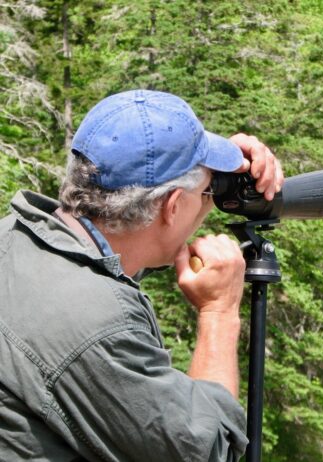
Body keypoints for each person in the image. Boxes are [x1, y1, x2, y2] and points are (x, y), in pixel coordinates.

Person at [0, 89, 284, 461]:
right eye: (204, 193)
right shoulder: (100, 328)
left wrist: (210, 175)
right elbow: (206, 451)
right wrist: (219, 312)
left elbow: (120, 255)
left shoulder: (17, 239)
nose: (208, 200)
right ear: (172, 206)